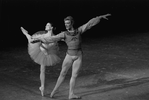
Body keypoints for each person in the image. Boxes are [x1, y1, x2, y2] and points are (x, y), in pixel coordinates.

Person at [49, 14, 111, 99]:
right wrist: (39, 39)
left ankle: (71, 94)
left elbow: (89, 24)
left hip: (78, 56)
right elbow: (53, 38)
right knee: (62, 73)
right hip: (69, 56)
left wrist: (99, 17)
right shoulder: (64, 34)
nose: (66, 25)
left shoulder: (79, 30)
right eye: (65, 23)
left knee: (74, 75)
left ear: (72, 23)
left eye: (68, 23)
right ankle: (54, 91)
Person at [20, 23, 61, 96]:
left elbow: (55, 44)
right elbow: (36, 42)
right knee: (30, 39)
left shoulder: (55, 37)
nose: (45, 26)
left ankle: (42, 87)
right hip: (41, 51)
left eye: (47, 25)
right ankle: (25, 33)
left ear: (51, 27)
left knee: (42, 70)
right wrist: (43, 48)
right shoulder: (43, 36)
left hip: (49, 52)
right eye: (46, 25)